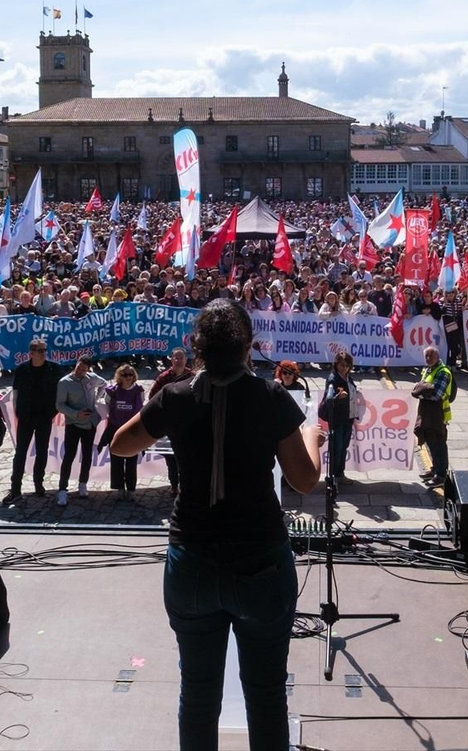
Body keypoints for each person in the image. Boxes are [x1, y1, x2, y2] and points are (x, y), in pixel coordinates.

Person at [110, 299, 323, 751]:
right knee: (266, 696)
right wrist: (312, 435)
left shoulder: (176, 395)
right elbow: (304, 479)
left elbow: (121, 446)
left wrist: (166, 413)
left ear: (198, 347)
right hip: (260, 559)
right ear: (249, 346)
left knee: (199, 694)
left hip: (193, 561)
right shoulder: (271, 397)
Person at [5, 337, 60, 502]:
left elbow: (62, 391)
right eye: (40, 351)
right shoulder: (22, 369)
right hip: (26, 417)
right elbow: (15, 392)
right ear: (32, 353)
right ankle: (15, 488)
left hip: (44, 417)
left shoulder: (54, 369)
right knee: (20, 453)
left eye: (45, 350)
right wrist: (18, 412)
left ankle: (39, 484)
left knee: (42, 452)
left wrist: (53, 412)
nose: (44, 354)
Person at [55, 354, 105, 506]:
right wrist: (76, 413)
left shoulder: (91, 378)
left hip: (90, 423)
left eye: (84, 369)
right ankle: (62, 490)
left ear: (88, 369)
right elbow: (59, 405)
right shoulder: (64, 383)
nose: (80, 371)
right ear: (75, 364)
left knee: (87, 455)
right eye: (79, 367)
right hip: (73, 423)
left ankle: (83, 483)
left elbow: (104, 383)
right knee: (69, 455)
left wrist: (97, 398)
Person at [147, 346, 192, 496]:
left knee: (186, 458)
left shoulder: (193, 377)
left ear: (186, 360)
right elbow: (152, 397)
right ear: (171, 360)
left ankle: (186, 486)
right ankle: (174, 486)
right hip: (170, 426)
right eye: (176, 358)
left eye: (181, 358)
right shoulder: (163, 377)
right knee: (171, 459)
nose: (179, 360)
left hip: (188, 425)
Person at [412, 345, 455, 488]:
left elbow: (436, 395)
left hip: (439, 414)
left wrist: (421, 391)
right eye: (426, 356)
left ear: (437, 356)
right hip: (427, 413)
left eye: (431, 356)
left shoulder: (443, 372)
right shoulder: (427, 370)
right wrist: (423, 389)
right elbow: (419, 388)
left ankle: (441, 474)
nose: (428, 358)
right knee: (430, 443)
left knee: (439, 445)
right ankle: (434, 469)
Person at [319, 350, 365, 485]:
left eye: (346, 365)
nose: (343, 367)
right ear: (336, 365)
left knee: (343, 447)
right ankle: (335, 475)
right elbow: (329, 398)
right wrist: (338, 398)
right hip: (338, 419)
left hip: (348, 417)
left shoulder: (348, 377)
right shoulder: (333, 379)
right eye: (341, 364)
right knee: (337, 448)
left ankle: (339, 473)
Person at [100, 364, 145, 500]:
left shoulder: (139, 390)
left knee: (131, 460)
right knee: (117, 460)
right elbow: (107, 406)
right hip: (115, 429)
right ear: (119, 376)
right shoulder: (112, 391)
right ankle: (119, 488)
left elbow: (141, 406)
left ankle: (131, 489)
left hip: (132, 430)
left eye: (130, 374)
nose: (128, 377)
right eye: (124, 375)